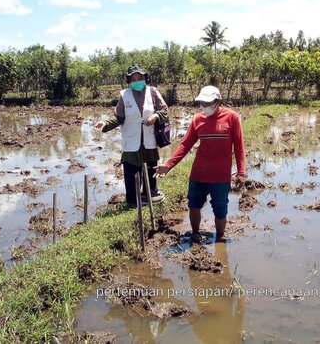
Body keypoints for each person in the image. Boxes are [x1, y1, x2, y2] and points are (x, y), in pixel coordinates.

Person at [155, 85, 246, 243]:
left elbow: (239, 146)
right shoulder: (198, 119)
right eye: (201, 103)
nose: (204, 106)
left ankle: (220, 237)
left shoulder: (231, 118)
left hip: (220, 176)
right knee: (194, 205)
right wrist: (168, 165)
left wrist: (241, 172)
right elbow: (185, 145)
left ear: (217, 101)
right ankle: (195, 233)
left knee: (220, 209)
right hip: (199, 174)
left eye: (207, 103)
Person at [94, 65, 167, 209]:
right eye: (133, 79)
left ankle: (150, 194)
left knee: (151, 168)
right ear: (129, 80)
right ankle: (132, 201)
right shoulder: (125, 95)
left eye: (139, 78)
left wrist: (155, 116)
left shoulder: (153, 92)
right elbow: (118, 117)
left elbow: (164, 110)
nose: (137, 81)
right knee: (131, 171)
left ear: (145, 78)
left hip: (149, 138)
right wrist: (105, 123)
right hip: (131, 140)